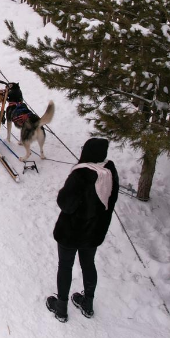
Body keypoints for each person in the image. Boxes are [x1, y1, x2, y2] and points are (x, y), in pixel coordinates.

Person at [46, 137, 119, 323]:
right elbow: (111, 200)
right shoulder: (109, 170)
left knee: (65, 266)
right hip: (94, 231)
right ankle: (88, 303)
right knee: (88, 264)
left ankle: (61, 308)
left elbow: (65, 203)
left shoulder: (81, 174)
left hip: (71, 232)